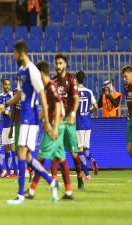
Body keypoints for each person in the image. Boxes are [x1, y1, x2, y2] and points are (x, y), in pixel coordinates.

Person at [0, 40, 59, 204]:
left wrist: (45, 120)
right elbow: (18, 95)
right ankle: (52, 182)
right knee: (26, 155)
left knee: (22, 153)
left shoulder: (32, 71)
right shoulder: (22, 71)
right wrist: (5, 105)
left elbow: (42, 95)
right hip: (23, 117)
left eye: (15, 53)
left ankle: (21, 195)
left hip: (30, 118)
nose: (14, 56)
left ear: (21, 53)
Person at [24, 60, 74, 200]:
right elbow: (50, 108)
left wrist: (55, 127)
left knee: (40, 157)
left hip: (55, 124)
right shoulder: (47, 87)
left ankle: (32, 191)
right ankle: (69, 191)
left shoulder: (51, 87)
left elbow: (58, 106)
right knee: (60, 158)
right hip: (56, 123)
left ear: (40, 73)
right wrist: (37, 119)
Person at [51, 53, 84, 189]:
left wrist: (73, 114)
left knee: (74, 153)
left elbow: (76, 99)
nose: (58, 66)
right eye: (56, 63)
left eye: (60, 63)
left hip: (69, 121)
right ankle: (54, 182)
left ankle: (80, 179)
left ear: (65, 64)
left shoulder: (71, 79)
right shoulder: (52, 81)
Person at [8, 74, 35, 182]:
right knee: (19, 153)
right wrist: (11, 128)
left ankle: (26, 173)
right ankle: (29, 170)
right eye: (16, 80)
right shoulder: (15, 92)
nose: (16, 82)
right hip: (17, 126)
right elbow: (14, 110)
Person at [75, 70, 99, 180]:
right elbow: (96, 106)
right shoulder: (89, 91)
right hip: (88, 124)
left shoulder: (74, 92)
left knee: (79, 149)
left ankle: (87, 174)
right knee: (85, 148)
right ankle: (92, 159)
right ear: (83, 79)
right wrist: (89, 111)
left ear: (76, 80)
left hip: (79, 124)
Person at [0, 78, 18, 178]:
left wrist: (4, 111)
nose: (7, 86)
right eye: (5, 84)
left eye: (8, 84)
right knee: (6, 148)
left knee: (12, 147)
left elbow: (11, 114)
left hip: (12, 126)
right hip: (4, 126)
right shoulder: (0, 97)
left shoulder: (12, 95)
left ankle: (15, 171)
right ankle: (9, 171)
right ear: (2, 85)